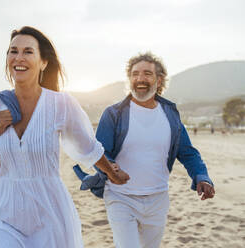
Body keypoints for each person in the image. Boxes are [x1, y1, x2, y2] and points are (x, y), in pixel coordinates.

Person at [0, 26, 129, 248]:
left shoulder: (60, 104)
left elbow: (86, 146)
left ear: (43, 62)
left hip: (48, 208)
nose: (19, 57)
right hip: (2, 208)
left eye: (28, 51)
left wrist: (110, 171)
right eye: (13, 51)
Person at [74, 52, 215, 248]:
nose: (140, 79)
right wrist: (112, 168)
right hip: (120, 197)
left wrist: (202, 176)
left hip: (158, 198)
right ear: (129, 79)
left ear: (159, 80)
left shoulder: (170, 115)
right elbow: (100, 151)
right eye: (135, 74)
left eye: (147, 74)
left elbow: (188, 152)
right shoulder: (113, 114)